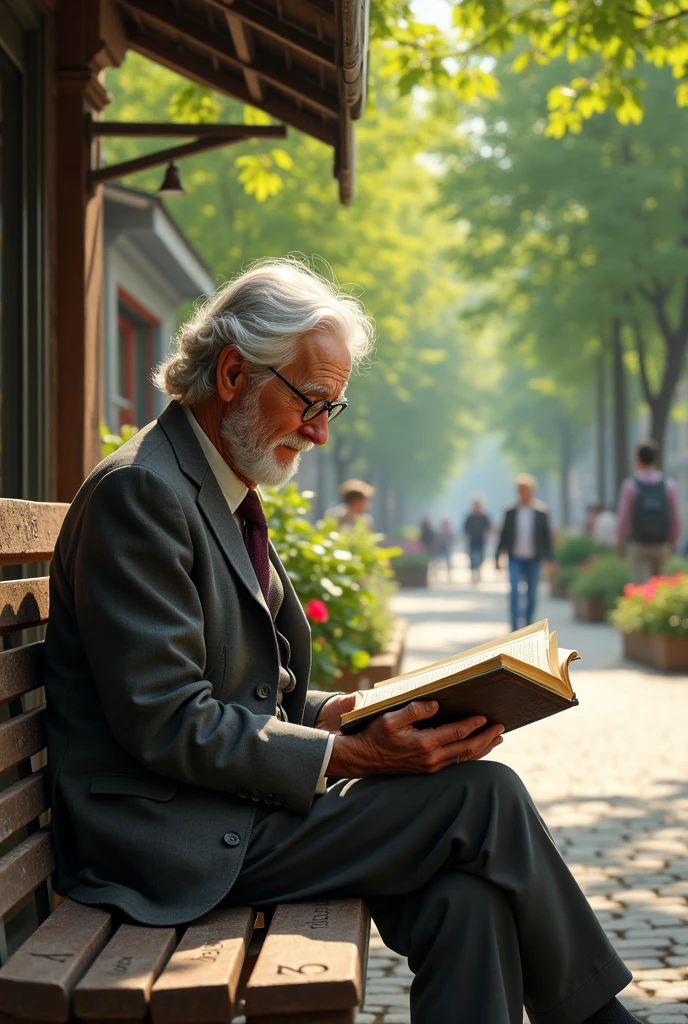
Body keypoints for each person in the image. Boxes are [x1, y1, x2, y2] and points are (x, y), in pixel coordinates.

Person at [43, 260, 639, 1024]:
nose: (322, 431)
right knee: (483, 798)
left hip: (226, 809)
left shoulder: (212, 484)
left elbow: (243, 692)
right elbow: (167, 718)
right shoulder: (144, 493)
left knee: (467, 898)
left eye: (335, 406)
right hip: (167, 841)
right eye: (311, 402)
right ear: (232, 373)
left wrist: (337, 714)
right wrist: (352, 755)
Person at [616, 439, 681, 584]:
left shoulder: (630, 485)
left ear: (637, 460)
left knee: (640, 587)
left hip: (638, 544)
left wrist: (620, 543)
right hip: (661, 544)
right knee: (660, 588)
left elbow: (623, 518)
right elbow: (676, 517)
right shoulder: (668, 485)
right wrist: (674, 542)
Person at [496, 473, 555, 633]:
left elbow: (547, 537)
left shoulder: (541, 512)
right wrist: (497, 557)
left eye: (527, 490)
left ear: (532, 491)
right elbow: (504, 536)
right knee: (514, 590)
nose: (524, 493)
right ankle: (515, 626)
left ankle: (528, 624)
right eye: (521, 490)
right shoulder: (510, 511)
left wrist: (551, 560)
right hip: (515, 557)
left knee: (532, 593)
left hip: (534, 559)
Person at [463, 497, 492, 582]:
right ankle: (473, 572)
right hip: (472, 541)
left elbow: (488, 529)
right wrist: (465, 539)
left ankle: (478, 571)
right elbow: (465, 529)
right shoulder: (470, 517)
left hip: (481, 541)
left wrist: (488, 539)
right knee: (472, 557)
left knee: (481, 557)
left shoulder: (484, 517)